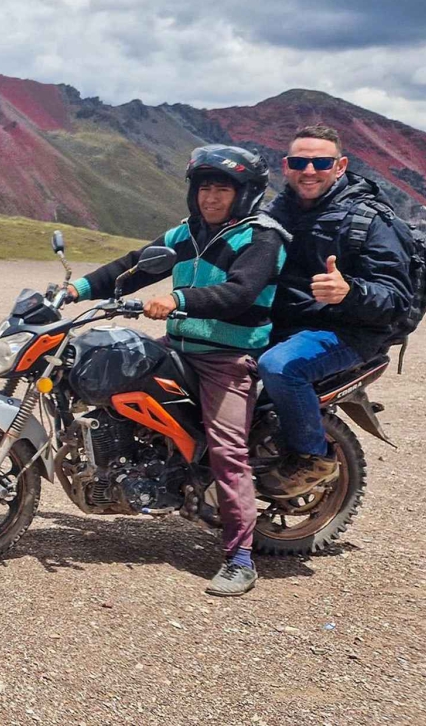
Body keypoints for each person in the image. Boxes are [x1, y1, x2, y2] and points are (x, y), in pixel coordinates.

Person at [63, 145, 286, 597]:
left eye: (222, 188)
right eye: (204, 187)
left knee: (227, 449)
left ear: (244, 193)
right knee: (116, 372)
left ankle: (241, 558)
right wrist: (77, 288)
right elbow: (134, 265)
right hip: (181, 345)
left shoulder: (262, 237)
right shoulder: (188, 233)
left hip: (227, 357)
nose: (210, 197)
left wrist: (179, 300)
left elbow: (240, 292)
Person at [257, 125, 413, 497]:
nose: (309, 170)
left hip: (348, 332)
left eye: (321, 162)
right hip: (287, 324)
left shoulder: (369, 220)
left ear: (340, 166)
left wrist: (348, 291)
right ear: (286, 166)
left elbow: (395, 298)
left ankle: (315, 458)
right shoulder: (276, 210)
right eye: (300, 161)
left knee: (281, 368)